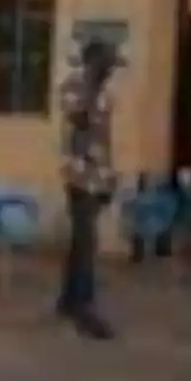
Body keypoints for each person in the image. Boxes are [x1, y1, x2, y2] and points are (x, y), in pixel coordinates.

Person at [56, 38, 121, 340]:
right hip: (79, 177)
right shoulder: (73, 86)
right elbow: (79, 120)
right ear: (93, 61)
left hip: (98, 176)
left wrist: (109, 177)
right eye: (106, 64)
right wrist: (91, 86)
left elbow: (104, 138)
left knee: (81, 242)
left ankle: (69, 301)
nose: (111, 71)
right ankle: (85, 308)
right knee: (86, 241)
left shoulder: (106, 94)